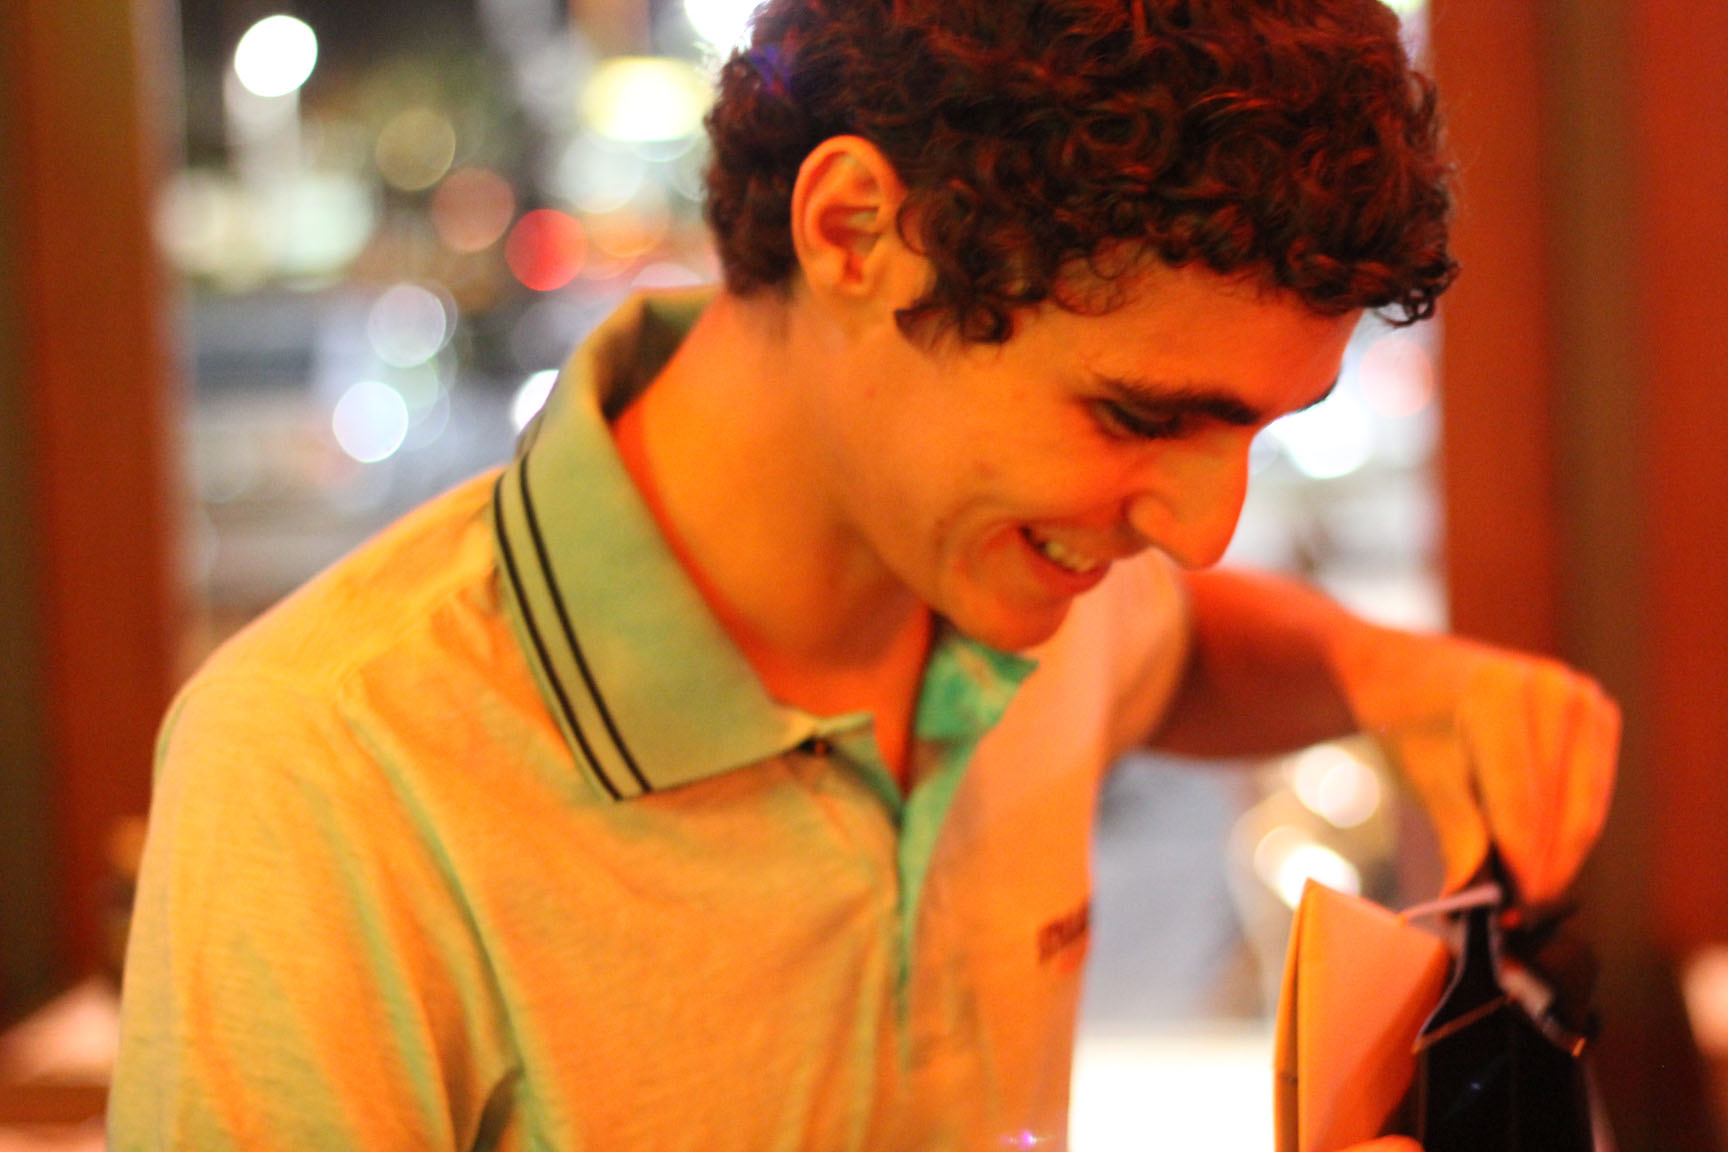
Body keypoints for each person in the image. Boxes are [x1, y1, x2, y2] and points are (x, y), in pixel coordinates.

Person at [107, 0, 1618, 1148]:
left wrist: (1397, 677)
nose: (1200, 526)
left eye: (1259, 431)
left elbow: (1183, 650)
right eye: (1139, 416)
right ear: (854, 232)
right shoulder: (329, 769)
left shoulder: (1021, 576)